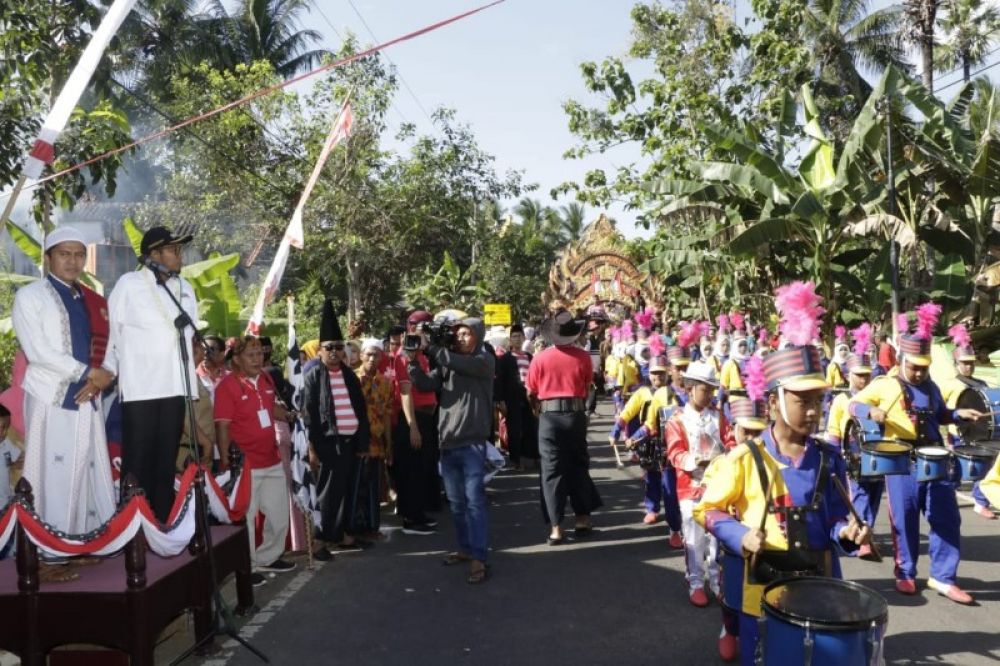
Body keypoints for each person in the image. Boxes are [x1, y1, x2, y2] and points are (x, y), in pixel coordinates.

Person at [694, 281, 869, 665]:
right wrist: (739, 534)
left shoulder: (829, 456)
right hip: (759, 586)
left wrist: (847, 532)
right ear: (773, 402)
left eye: (818, 400)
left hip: (818, 583)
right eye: (802, 400)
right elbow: (706, 510)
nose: (812, 410)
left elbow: (837, 516)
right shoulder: (742, 458)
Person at [849, 306, 984, 603]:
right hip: (901, 460)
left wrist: (958, 414)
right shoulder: (885, 384)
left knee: (946, 517)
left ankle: (943, 577)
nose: (919, 373)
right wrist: (871, 410)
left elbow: (940, 415)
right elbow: (853, 405)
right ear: (902, 361)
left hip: (934, 458)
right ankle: (906, 572)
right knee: (905, 517)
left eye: (924, 367)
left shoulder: (932, 387)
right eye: (914, 367)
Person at [13, 226, 117, 539]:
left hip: (90, 396)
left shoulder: (94, 299)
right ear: (48, 258)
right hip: (51, 396)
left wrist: (104, 375)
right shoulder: (30, 296)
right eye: (64, 254)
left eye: (78, 254)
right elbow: (38, 351)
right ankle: (48, 552)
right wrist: (89, 373)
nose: (72, 261)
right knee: (51, 475)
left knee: (87, 470)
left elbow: (113, 344)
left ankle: (82, 541)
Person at [105, 226, 198, 522]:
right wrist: (109, 370)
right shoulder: (129, 284)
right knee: (138, 461)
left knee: (166, 460)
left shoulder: (185, 288)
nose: (179, 255)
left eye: (180, 250)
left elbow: (191, 334)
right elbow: (114, 333)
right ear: (153, 255)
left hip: (174, 384)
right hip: (141, 387)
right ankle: (133, 527)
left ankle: (161, 523)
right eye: (173, 250)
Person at [407, 317, 495, 584]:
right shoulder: (448, 361)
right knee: (457, 505)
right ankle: (465, 549)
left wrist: (431, 348)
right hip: (448, 444)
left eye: (466, 334)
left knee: (475, 503)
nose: (461, 338)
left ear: (478, 335)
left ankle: (479, 557)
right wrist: (412, 360)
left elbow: (457, 362)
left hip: (472, 444)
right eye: (458, 334)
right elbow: (425, 384)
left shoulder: (484, 360)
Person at [214, 336, 296, 585]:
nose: (257, 358)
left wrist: (292, 415)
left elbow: (271, 409)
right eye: (251, 354)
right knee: (247, 519)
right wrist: (226, 460)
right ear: (236, 359)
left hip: (270, 459)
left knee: (279, 514)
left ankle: (268, 557)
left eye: (260, 353)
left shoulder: (267, 379)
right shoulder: (227, 386)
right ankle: (246, 567)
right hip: (245, 464)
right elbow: (223, 427)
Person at [526, 310, 603, 545]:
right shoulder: (582, 357)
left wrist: (536, 410)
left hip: (549, 416)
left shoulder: (539, 358)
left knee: (551, 472)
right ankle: (581, 519)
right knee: (578, 465)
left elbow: (530, 391)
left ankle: (556, 528)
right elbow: (588, 385)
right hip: (575, 414)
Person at [303, 300, 372, 559]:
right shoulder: (313, 377)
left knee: (347, 491)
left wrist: (363, 444)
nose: (334, 352)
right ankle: (320, 542)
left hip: (351, 442)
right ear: (320, 351)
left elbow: (361, 412)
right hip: (327, 445)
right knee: (328, 495)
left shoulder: (350, 375)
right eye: (328, 348)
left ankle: (344, 536)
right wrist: (312, 449)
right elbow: (308, 416)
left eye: (337, 347)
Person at [665, 360, 735, 606]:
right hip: (690, 488)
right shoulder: (676, 420)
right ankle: (695, 581)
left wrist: (728, 456)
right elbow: (675, 453)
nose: (710, 395)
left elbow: (731, 442)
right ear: (690, 388)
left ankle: (717, 582)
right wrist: (697, 460)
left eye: (711, 390)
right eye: (705, 389)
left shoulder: (718, 417)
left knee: (717, 539)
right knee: (694, 539)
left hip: (717, 489)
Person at [825, 342, 879, 556]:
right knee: (860, 497)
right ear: (848, 375)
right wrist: (834, 461)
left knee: (874, 496)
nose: (863, 380)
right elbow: (834, 434)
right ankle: (860, 539)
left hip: (875, 456)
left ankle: (867, 533)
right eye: (858, 375)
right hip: (852, 459)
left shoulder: (876, 399)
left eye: (866, 375)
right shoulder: (841, 400)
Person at [392, 310, 441, 535]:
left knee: (421, 468)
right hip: (413, 417)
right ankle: (410, 519)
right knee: (411, 469)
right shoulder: (404, 355)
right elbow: (406, 393)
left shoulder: (423, 354)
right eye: (418, 327)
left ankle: (417, 512)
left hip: (426, 417)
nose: (421, 331)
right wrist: (413, 426)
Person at [941, 324, 995, 519]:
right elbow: (940, 407)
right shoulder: (949, 384)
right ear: (956, 364)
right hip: (958, 433)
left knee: (986, 467)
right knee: (955, 470)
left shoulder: (982, 385)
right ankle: (946, 497)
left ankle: (980, 502)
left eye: (971, 363)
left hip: (981, 433)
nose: (968, 366)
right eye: (964, 363)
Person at [611, 354, 668, 524]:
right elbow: (627, 412)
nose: (657, 377)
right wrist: (616, 430)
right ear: (648, 374)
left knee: (671, 479)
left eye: (661, 373)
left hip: (671, 440)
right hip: (648, 441)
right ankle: (652, 508)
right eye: (654, 373)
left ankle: (676, 514)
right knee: (651, 477)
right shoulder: (642, 393)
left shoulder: (672, 393)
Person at [357, 338, 393, 538]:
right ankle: (356, 527)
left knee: (374, 487)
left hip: (377, 443)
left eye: (375, 355)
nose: (371, 359)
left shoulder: (385, 383)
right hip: (358, 443)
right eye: (368, 354)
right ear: (361, 355)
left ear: (381, 357)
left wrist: (389, 444)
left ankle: (372, 527)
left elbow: (387, 415)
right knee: (358, 487)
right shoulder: (352, 379)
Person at [496, 324, 534, 470]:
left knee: (529, 426)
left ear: (524, 338)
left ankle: (528, 457)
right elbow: (499, 381)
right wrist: (500, 400)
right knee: (514, 429)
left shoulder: (530, 357)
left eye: (520, 336)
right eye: (514, 337)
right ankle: (515, 460)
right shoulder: (505, 359)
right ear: (510, 340)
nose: (518, 339)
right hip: (512, 398)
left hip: (529, 397)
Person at [178, 339, 216, 469]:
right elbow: (182, 417)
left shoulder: (192, 375)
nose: (204, 348)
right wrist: (206, 443)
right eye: (199, 344)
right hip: (190, 453)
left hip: (201, 450)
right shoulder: (181, 377)